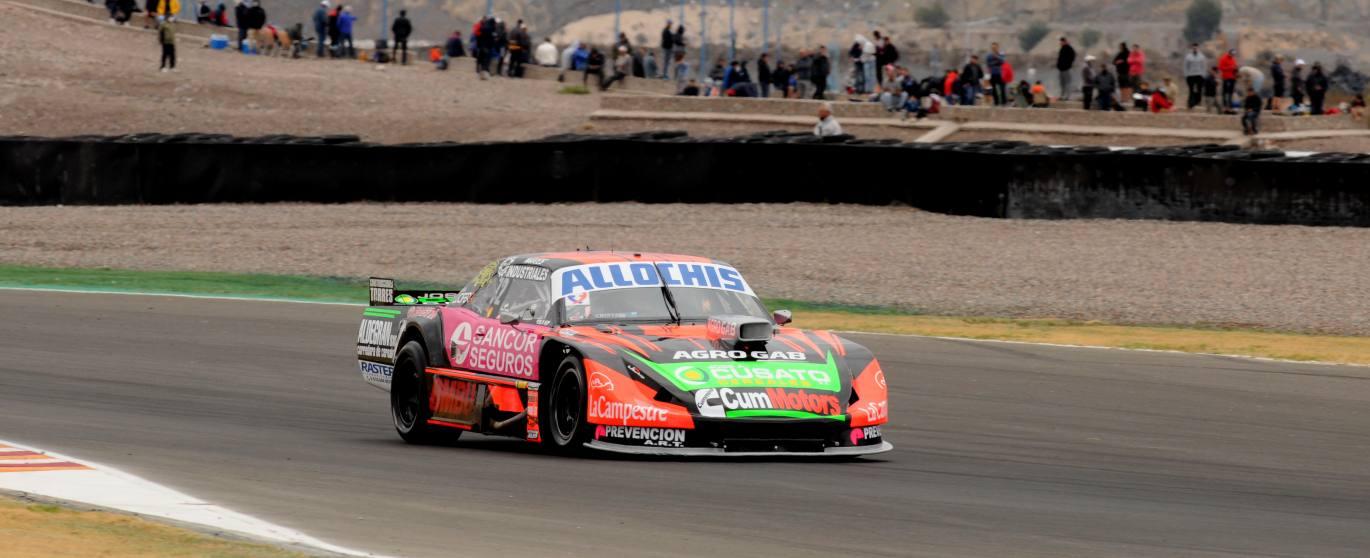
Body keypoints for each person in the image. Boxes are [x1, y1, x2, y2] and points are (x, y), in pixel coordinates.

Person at [1183, 43, 1207, 110]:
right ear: (1192, 48)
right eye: (1193, 48)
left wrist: (1203, 75)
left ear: (1198, 48)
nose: (1195, 49)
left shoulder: (1202, 57)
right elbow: (1185, 66)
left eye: (1196, 48)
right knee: (1191, 90)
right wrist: (1186, 75)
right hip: (1190, 75)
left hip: (1199, 75)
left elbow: (1204, 66)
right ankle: (1191, 103)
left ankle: (1198, 102)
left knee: (1199, 89)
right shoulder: (1188, 57)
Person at [1056, 36, 1075, 101]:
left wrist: (1068, 65)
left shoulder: (1069, 49)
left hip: (1066, 69)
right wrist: (1058, 65)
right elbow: (1060, 58)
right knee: (1062, 83)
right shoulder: (1062, 49)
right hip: (1061, 69)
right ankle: (1062, 95)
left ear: (1065, 42)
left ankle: (1067, 96)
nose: (1060, 43)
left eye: (1061, 42)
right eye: (1060, 42)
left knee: (1067, 83)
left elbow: (1072, 57)